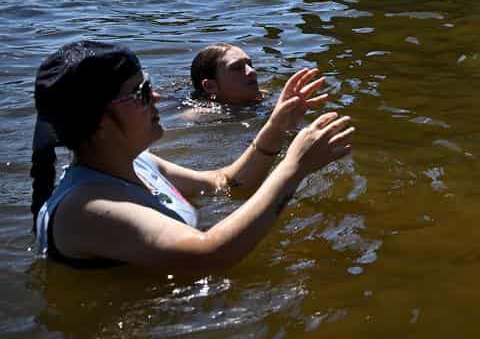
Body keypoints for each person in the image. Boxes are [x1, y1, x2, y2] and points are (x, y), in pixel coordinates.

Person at [30, 41, 355, 273]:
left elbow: (227, 183)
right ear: (97, 120)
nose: (156, 97)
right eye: (140, 93)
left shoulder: (140, 162)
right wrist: (293, 168)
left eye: (149, 86)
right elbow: (207, 255)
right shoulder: (85, 208)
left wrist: (275, 126)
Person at [190, 43, 262, 104]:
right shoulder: (200, 116)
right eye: (237, 67)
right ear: (210, 86)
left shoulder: (263, 96)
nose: (252, 71)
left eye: (250, 64)